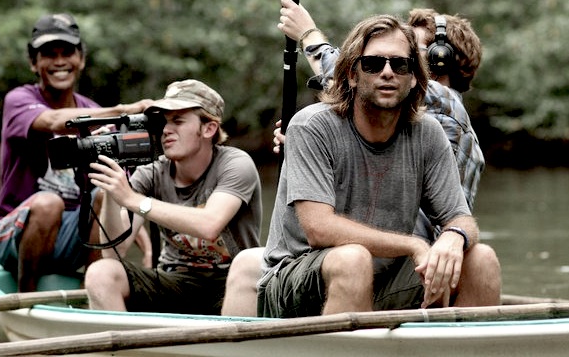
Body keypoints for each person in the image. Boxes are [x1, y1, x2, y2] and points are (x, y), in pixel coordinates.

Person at [221, 3, 491, 317]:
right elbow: (319, 229)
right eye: (373, 63)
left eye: (401, 65)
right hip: (297, 278)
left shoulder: (429, 132)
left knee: (481, 258)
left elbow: (461, 218)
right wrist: (413, 245)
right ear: (351, 74)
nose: (387, 72)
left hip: (384, 277)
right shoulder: (311, 126)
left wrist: (454, 237)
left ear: (416, 78)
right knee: (353, 260)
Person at [0, 13, 153, 292]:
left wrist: (139, 232)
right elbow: (54, 121)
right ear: (33, 63)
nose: (60, 62)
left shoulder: (93, 109)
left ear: (82, 60)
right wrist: (123, 111)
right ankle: (25, 299)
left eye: (68, 53)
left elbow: (116, 186)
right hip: (13, 237)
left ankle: (93, 291)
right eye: (49, 55)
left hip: (70, 235)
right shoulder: (19, 100)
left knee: (105, 195)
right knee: (48, 203)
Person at [83, 79, 263, 314]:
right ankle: (128, 348)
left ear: (208, 128)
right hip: (173, 282)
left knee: (254, 264)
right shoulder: (152, 172)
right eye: (164, 122)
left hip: (231, 284)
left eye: (178, 121)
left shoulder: (235, 164)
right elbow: (114, 250)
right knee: (101, 272)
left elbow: (210, 224)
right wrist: (110, 187)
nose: (166, 130)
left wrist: (135, 201)